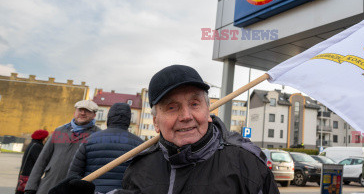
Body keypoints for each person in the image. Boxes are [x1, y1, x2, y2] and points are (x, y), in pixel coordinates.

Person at [49, 65, 279, 194]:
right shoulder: (140, 167)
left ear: (208, 111)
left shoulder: (246, 163)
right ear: (156, 121)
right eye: (172, 107)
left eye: (195, 104)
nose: (186, 116)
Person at [25, 100, 100, 194]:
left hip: (76, 188)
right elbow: (42, 160)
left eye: (87, 111)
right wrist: (31, 187)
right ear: (75, 112)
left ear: (94, 115)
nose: (83, 113)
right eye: (80, 110)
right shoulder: (59, 131)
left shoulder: (98, 135)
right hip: (49, 184)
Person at [67, 102, 143, 192]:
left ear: (109, 118)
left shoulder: (89, 140)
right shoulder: (140, 145)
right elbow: (143, 180)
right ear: (128, 120)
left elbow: (73, 176)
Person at [15, 130, 49, 194]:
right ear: (42, 138)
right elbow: (40, 162)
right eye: (46, 138)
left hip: (25, 174)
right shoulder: (37, 146)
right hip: (28, 176)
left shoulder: (33, 144)